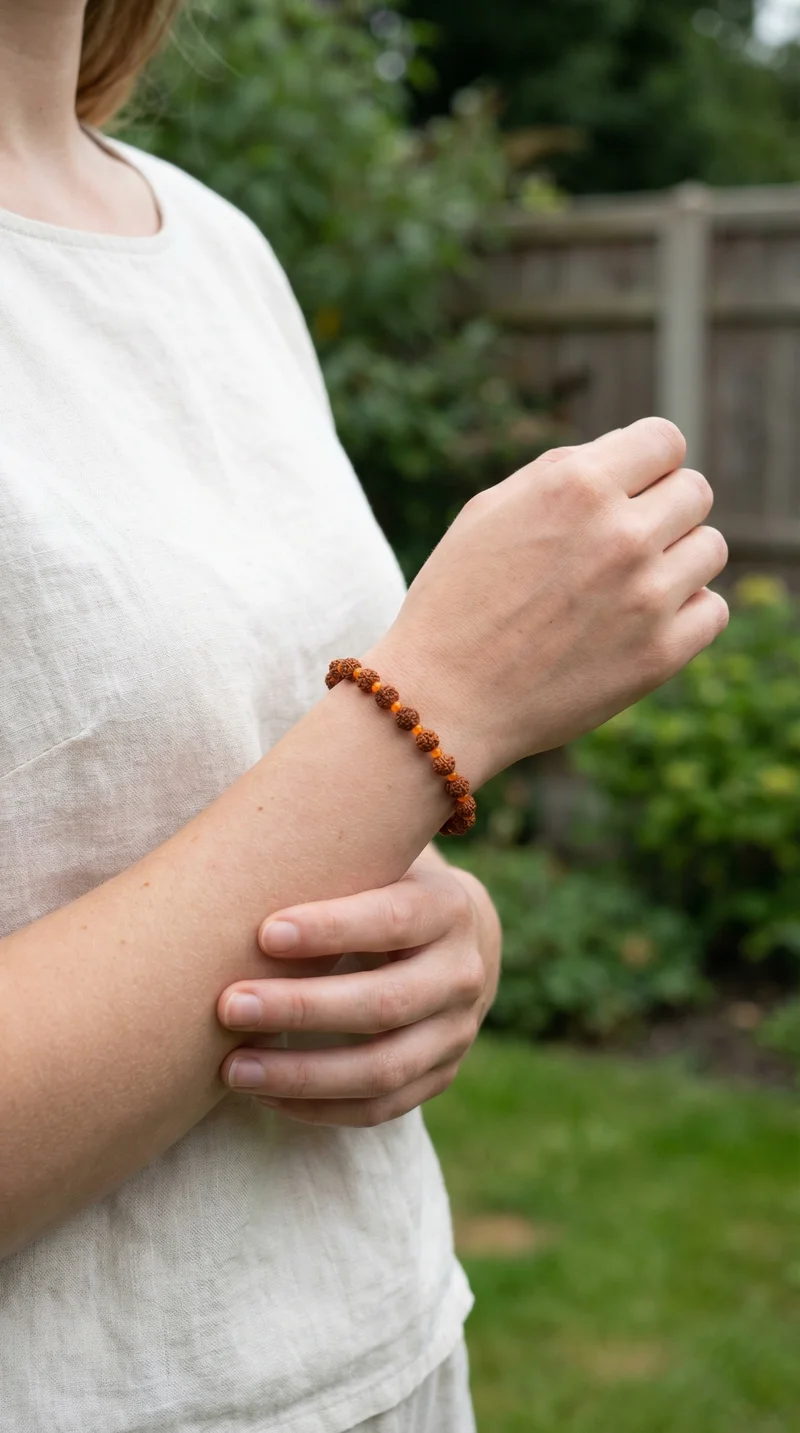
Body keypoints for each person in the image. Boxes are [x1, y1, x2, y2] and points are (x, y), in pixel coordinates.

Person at [0, 1, 729, 1430]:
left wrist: (447, 942)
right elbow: (375, 745)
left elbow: (249, 778)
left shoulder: (213, 250)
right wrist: (440, 707)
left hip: (378, 1362)